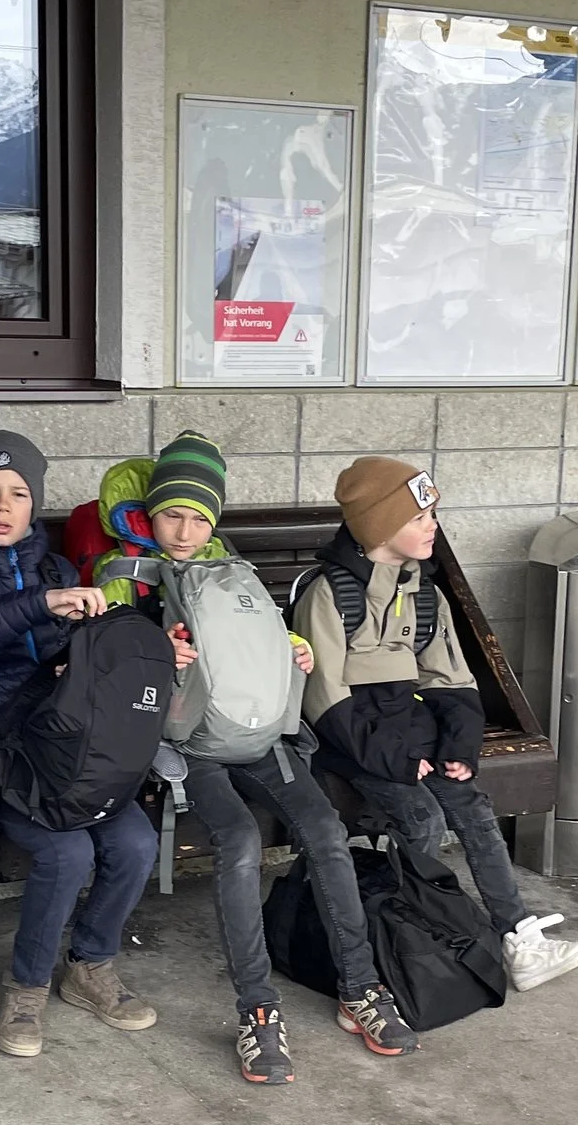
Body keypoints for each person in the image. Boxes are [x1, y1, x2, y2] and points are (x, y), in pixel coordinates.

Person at [88, 432, 419, 1085]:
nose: (185, 531)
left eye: (198, 518)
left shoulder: (227, 564)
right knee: (239, 840)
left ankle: (359, 985)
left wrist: (294, 647)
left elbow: (264, 632)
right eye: (172, 515)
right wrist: (154, 649)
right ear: (151, 513)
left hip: (260, 734)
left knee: (326, 830)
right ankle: (258, 1007)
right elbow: (100, 659)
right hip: (189, 746)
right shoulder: (122, 572)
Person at [294, 457, 578, 994]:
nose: (432, 526)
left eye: (433, 514)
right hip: (349, 741)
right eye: (419, 517)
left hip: (409, 730)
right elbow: (323, 698)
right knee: (422, 818)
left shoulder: (424, 592)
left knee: (474, 808)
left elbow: (450, 678)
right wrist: (396, 760)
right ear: (380, 526)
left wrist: (459, 747)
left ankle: (519, 940)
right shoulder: (329, 593)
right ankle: (409, 934)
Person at [0, 430, 161, 1059]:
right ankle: (25, 987)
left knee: (135, 842)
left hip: (56, 743)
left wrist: (133, 653)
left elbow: (82, 665)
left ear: (35, 502)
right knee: (66, 851)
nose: (3, 506)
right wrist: (36, 605)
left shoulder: (53, 567)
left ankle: (89, 966)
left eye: (19, 494)